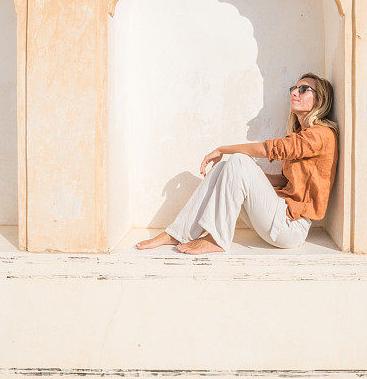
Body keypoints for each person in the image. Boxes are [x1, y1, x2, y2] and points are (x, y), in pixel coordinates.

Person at [135, 72, 339, 254]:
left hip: (290, 227)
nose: (295, 92)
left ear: (319, 99)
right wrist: (249, 176)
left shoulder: (322, 135)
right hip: (277, 217)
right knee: (227, 167)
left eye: (303, 89)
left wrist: (223, 149)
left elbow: (272, 150)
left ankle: (216, 239)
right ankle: (176, 233)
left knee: (239, 161)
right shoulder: (303, 135)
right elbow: (285, 182)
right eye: (294, 88)